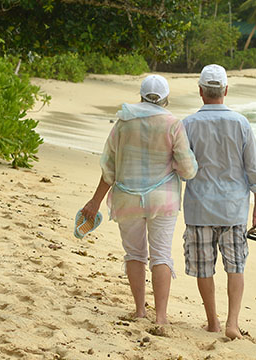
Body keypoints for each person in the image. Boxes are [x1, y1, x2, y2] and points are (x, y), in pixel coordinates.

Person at [81, 75, 197, 325]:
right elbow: (187, 170)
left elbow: (108, 168)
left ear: (140, 95)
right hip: (162, 200)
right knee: (161, 256)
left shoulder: (123, 123)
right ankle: (161, 317)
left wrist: (94, 202)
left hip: (128, 199)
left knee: (134, 254)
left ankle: (139, 311)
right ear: (166, 98)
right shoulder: (173, 124)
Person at [181, 64, 256, 340]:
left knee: (203, 266)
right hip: (233, 209)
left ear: (200, 92)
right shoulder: (241, 123)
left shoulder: (188, 124)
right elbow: (253, 169)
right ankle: (232, 323)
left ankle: (213, 321)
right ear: (226, 90)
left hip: (198, 207)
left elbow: (184, 167)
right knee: (236, 266)